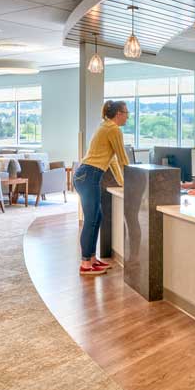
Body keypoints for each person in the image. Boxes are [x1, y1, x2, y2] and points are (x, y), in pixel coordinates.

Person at [74, 100, 130, 276]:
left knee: (97, 217)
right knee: (91, 219)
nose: (128, 116)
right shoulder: (113, 129)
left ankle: (91, 259)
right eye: (126, 113)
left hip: (89, 175)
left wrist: (123, 182)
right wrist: (132, 179)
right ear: (119, 114)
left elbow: (112, 161)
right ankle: (85, 263)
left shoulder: (106, 127)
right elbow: (122, 158)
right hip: (88, 174)